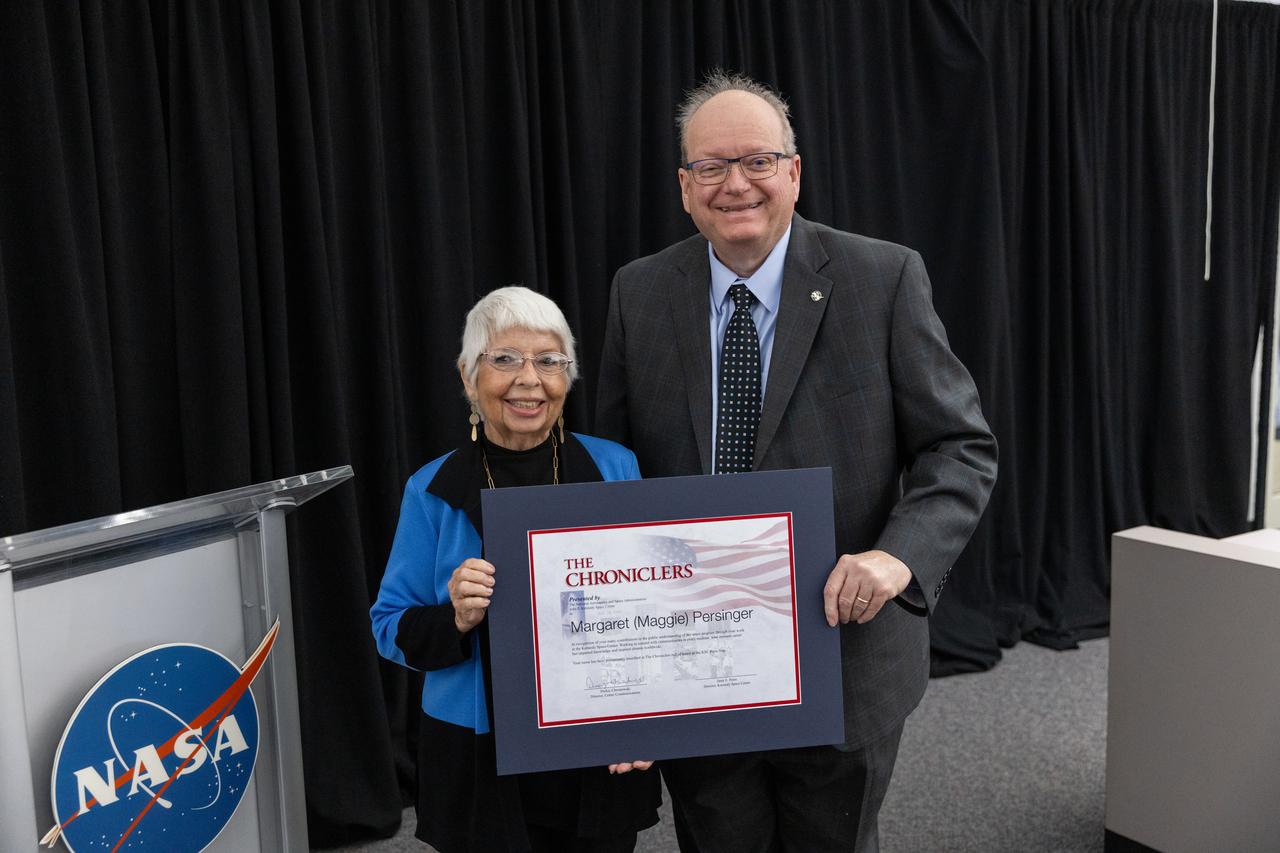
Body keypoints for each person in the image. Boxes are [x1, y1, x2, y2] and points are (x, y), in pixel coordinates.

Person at [594, 71, 998, 852]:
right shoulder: (637, 294)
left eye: (757, 160)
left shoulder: (884, 278)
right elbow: (612, 475)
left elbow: (961, 448)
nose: (734, 183)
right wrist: (618, 675)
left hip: (842, 656)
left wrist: (897, 558)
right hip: (695, 660)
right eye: (710, 166)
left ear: (794, 172)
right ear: (684, 187)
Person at [372, 286, 660, 853]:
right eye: (505, 359)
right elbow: (388, 627)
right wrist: (453, 617)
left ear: (567, 378)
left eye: (550, 361)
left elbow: (655, 613)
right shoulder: (431, 489)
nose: (530, 379)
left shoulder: (614, 467)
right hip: (481, 750)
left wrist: (643, 719)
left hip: (594, 738)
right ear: (467, 375)